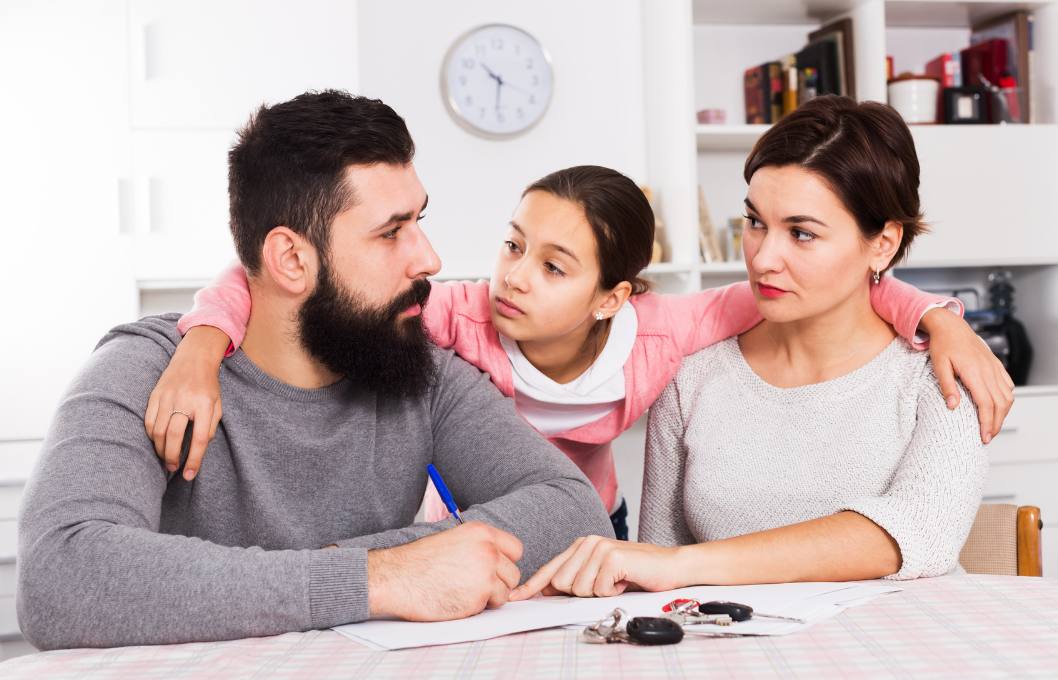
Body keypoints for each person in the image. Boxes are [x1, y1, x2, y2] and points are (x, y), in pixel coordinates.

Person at [16, 91, 615, 651]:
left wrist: (358, 566)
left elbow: (574, 513)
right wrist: (376, 579)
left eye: (419, 221)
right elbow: (59, 575)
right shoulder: (151, 369)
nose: (429, 259)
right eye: (391, 233)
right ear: (292, 260)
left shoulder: (423, 376)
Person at [151, 168, 1010, 539]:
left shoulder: (667, 334)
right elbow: (272, 270)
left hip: (598, 526)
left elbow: (824, 284)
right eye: (513, 245)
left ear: (613, 297)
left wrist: (942, 319)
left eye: (554, 266)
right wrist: (200, 343)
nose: (513, 279)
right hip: (466, 527)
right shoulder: (459, 315)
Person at [508, 96, 990, 600]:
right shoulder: (693, 373)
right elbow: (658, 563)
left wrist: (684, 565)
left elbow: (921, 532)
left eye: (801, 234)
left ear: (883, 244)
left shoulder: (945, 369)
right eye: (755, 222)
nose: (763, 259)